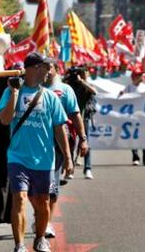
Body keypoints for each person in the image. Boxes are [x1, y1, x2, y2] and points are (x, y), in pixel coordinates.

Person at [0, 52, 73, 252]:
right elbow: (4, 119)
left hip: (44, 159)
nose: (49, 71)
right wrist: (13, 93)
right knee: (19, 198)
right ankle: (19, 245)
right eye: (45, 67)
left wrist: (68, 157)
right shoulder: (11, 92)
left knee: (43, 202)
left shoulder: (50, 96)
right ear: (33, 68)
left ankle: (39, 239)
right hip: (17, 157)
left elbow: (59, 128)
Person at [41, 60, 88, 238]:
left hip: (60, 142)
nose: (46, 70)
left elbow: (76, 115)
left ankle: (45, 223)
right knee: (38, 188)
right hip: (36, 143)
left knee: (52, 186)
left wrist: (83, 139)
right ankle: (40, 216)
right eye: (42, 67)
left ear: (56, 69)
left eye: (49, 67)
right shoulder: (31, 88)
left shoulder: (65, 90)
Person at [63, 66, 97, 178]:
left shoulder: (86, 85)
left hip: (83, 118)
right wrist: (68, 79)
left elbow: (94, 91)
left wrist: (81, 81)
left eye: (83, 72)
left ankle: (87, 168)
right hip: (69, 119)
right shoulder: (69, 85)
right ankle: (70, 168)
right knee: (70, 143)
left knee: (85, 143)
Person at [118, 67, 145, 166]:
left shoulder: (144, 87)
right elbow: (121, 97)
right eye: (138, 75)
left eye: (141, 75)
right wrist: (121, 94)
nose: (141, 77)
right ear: (134, 77)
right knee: (134, 137)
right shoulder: (129, 87)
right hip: (132, 116)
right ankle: (135, 157)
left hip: (144, 115)